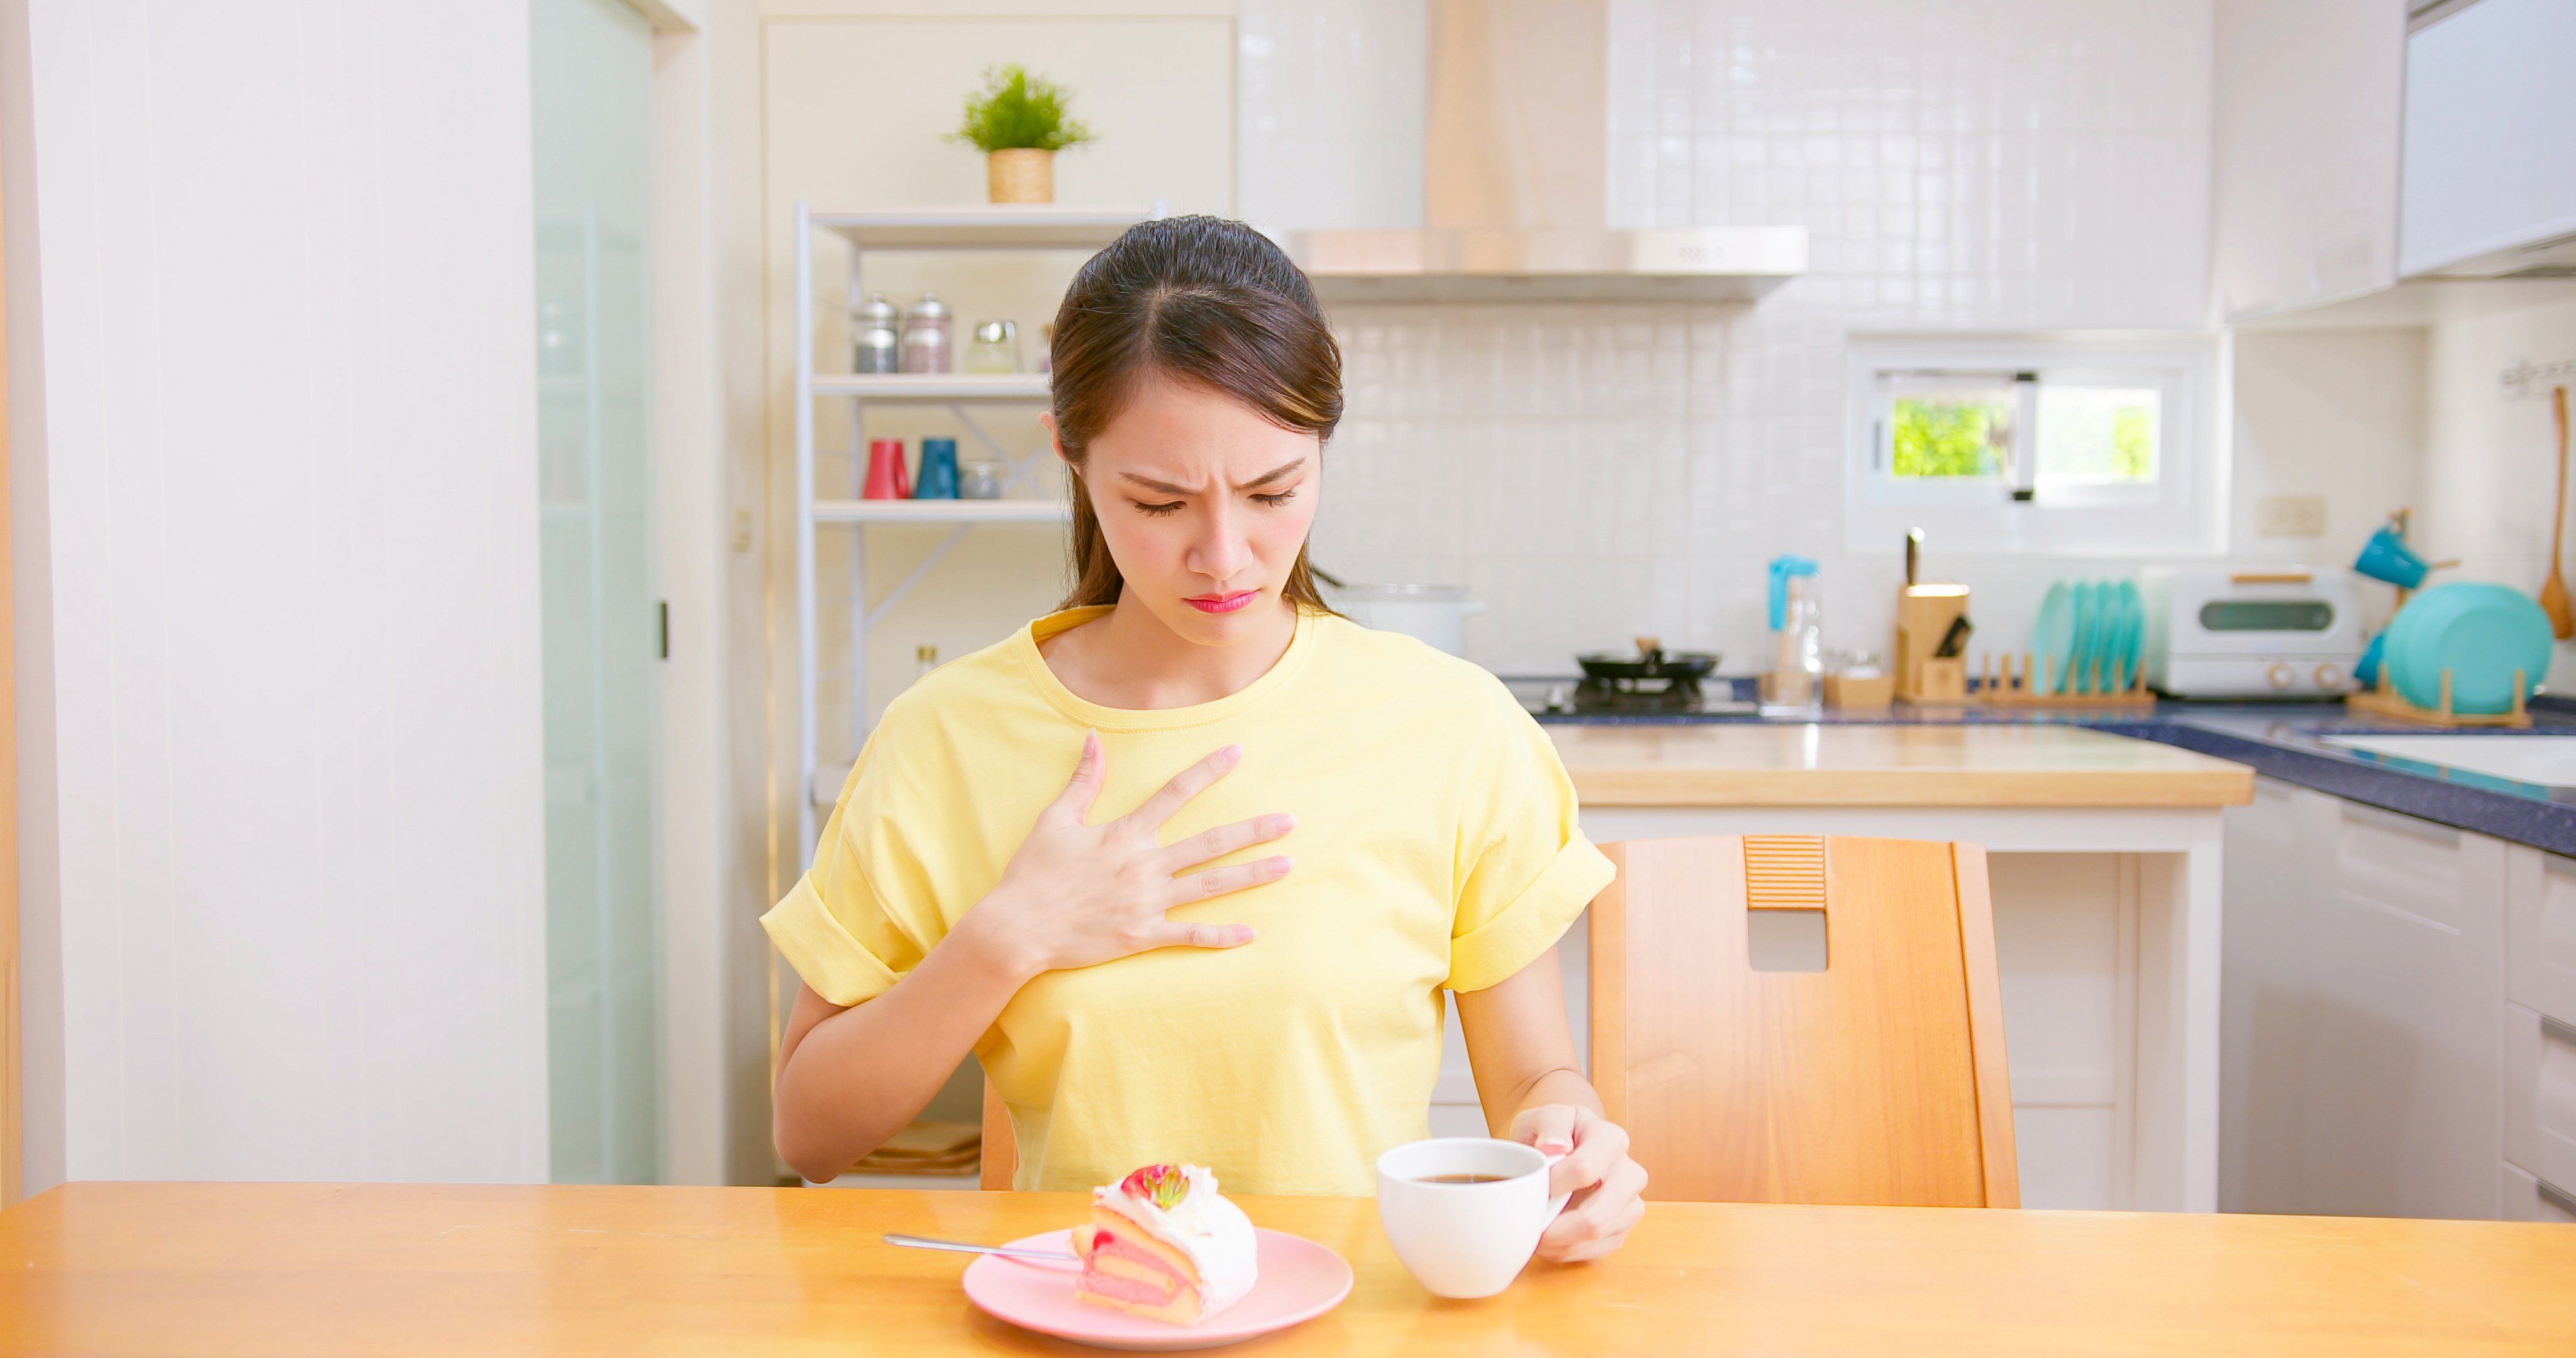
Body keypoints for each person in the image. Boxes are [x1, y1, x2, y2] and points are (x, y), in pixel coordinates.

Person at [765, 215, 1646, 1262]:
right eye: (1159, 501)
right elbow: (809, 1135)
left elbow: (1536, 1083)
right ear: (1072, 457)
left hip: (1352, 1327)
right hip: (1083, 1320)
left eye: (1275, 492)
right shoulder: (949, 739)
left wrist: (1567, 1141)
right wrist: (1011, 935)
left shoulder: (1450, 729)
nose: (1225, 556)